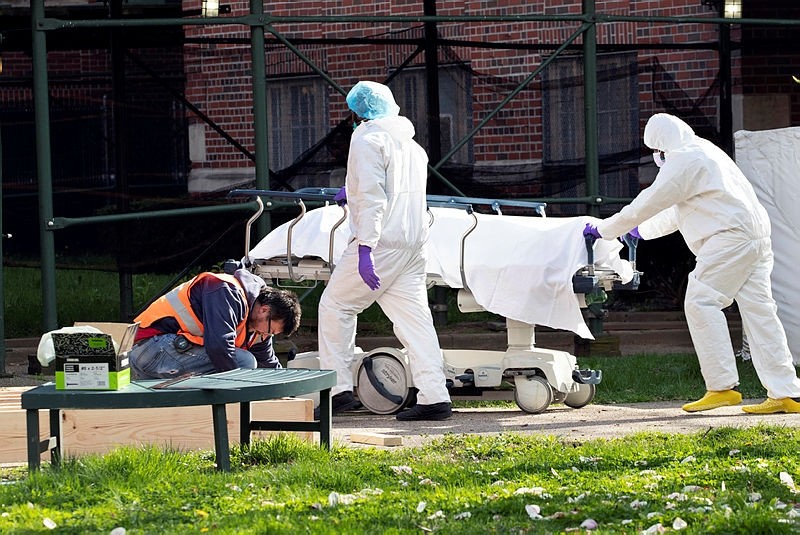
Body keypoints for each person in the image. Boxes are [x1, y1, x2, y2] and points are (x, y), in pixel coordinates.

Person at [584, 113, 800, 414]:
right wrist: (641, 231)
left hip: (729, 238)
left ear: (660, 146)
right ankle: (786, 392)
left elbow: (648, 202)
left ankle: (722, 387)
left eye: (655, 152)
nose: (656, 157)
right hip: (755, 236)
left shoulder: (682, 160)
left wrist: (606, 229)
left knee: (701, 301)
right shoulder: (707, 151)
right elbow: (678, 210)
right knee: (760, 312)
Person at [317, 80, 452, 421]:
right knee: (416, 322)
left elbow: (375, 197)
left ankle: (338, 389)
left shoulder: (366, 137)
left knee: (335, 306)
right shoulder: (411, 146)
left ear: (357, 112)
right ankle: (435, 396)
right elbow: (394, 190)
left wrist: (365, 247)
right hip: (413, 244)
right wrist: (352, 188)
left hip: (381, 245)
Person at [129, 268, 301, 379]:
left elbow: (269, 364)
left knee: (243, 365)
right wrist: (241, 391)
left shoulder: (257, 325)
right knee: (244, 363)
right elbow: (219, 347)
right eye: (270, 331)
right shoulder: (226, 291)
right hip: (150, 347)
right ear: (264, 310)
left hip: (161, 353)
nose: (266, 336)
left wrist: (287, 391)